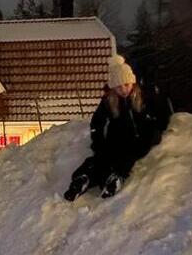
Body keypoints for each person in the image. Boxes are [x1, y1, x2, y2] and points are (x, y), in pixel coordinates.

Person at [64, 55, 171, 201]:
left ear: (132, 82)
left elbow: (162, 111)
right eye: (119, 87)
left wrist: (159, 127)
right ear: (113, 87)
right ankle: (83, 178)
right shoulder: (109, 100)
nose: (124, 89)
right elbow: (97, 122)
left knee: (128, 156)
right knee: (102, 156)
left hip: (143, 136)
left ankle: (117, 176)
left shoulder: (145, 95)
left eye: (126, 84)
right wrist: (98, 141)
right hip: (118, 135)